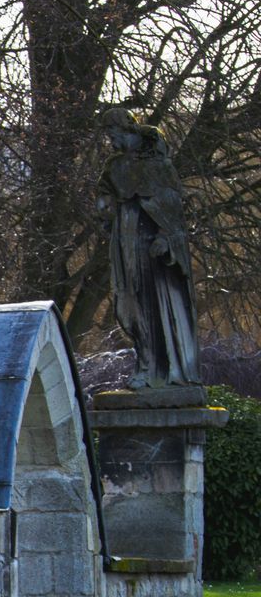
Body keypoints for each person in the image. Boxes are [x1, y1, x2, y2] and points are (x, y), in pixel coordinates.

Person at [98, 107, 201, 388]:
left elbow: (172, 209)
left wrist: (166, 237)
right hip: (126, 245)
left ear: (125, 129)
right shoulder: (115, 166)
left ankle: (163, 371)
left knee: (159, 306)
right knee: (132, 305)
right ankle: (146, 366)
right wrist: (105, 205)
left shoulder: (160, 165)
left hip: (153, 250)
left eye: (111, 132)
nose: (110, 140)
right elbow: (105, 195)